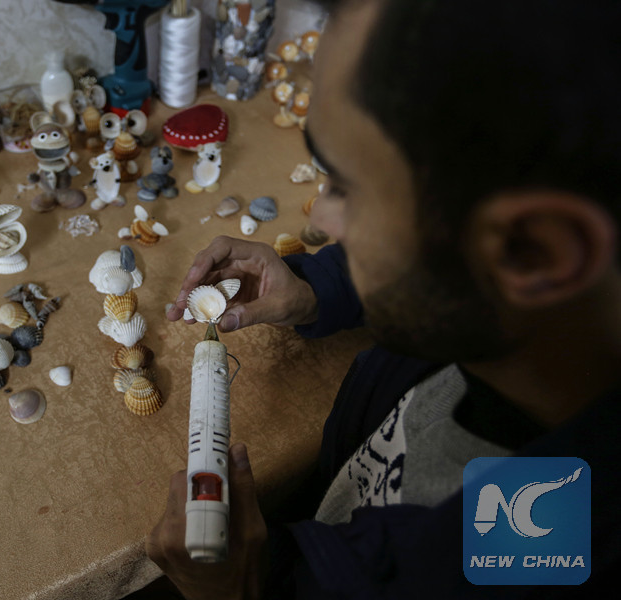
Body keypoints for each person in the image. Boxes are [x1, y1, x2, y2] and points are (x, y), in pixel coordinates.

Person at [145, 0, 621, 597]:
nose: (320, 219)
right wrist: (317, 289)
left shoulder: (529, 542)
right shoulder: (500, 315)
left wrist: (230, 593)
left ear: (536, 251)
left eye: (347, 187)